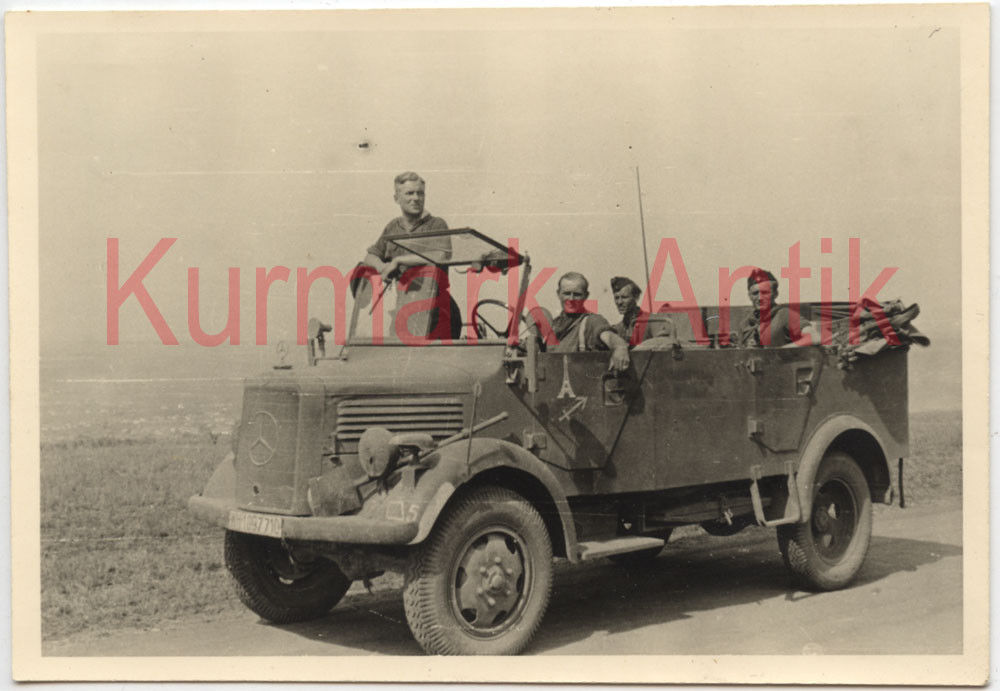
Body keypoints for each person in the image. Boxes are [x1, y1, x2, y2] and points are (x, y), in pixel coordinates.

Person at [362, 171, 457, 339]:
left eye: (420, 193)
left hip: (438, 309)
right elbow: (370, 257)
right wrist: (382, 266)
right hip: (405, 306)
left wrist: (398, 260)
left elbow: (442, 255)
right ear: (396, 198)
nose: (416, 198)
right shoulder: (393, 227)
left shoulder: (436, 224)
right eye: (409, 193)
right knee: (395, 355)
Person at [542, 272, 630, 372]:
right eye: (566, 293)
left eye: (577, 294)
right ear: (558, 294)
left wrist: (619, 347)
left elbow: (608, 335)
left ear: (586, 296)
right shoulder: (553, 325)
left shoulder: (592, 321)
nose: (571, 299)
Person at [735, 268, 809, 347]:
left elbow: (813, 337)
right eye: (755, 293)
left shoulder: (784, 315)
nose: (760, 298)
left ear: (775, 294)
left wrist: (783, 350)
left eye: (765, 292)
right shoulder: (745, 324)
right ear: (749, 296)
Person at [610, 276, 675, 347]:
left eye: (624, 297)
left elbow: (664, 346)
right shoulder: (617, 329)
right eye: (616, 298)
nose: (619, 302)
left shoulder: (651, 321)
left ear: (636, 297)